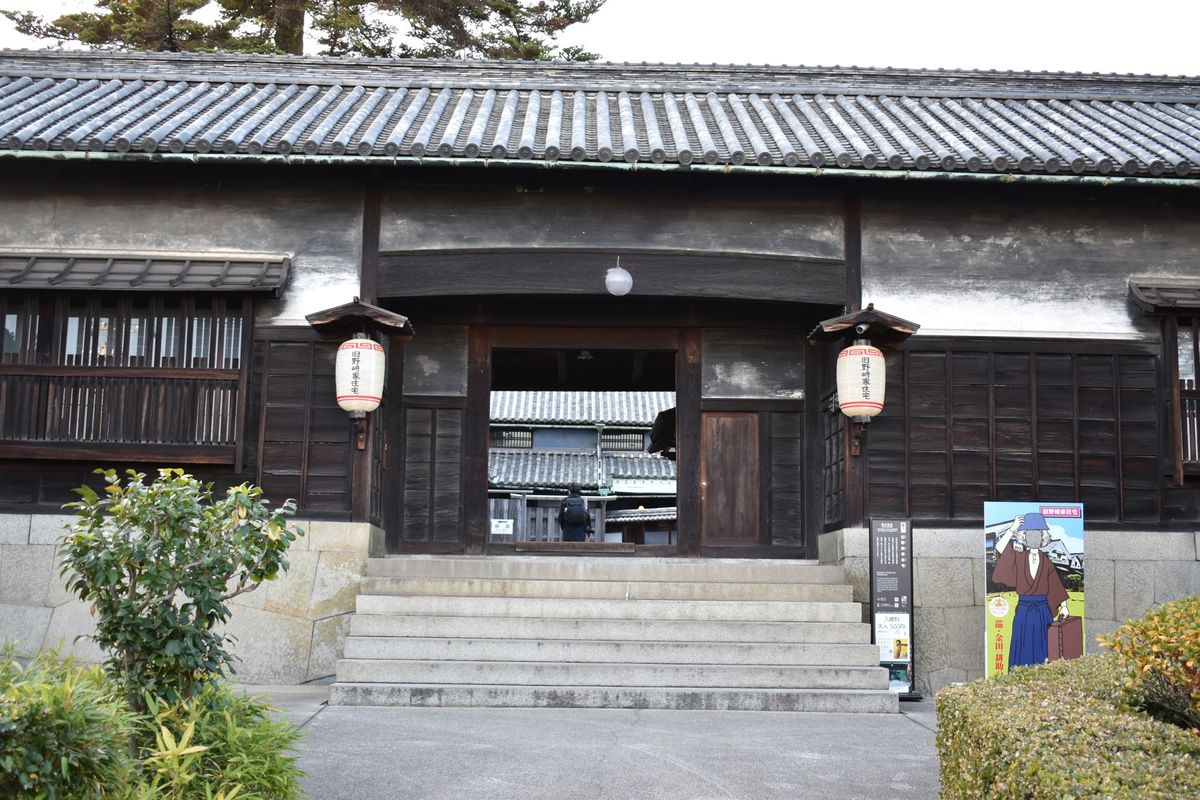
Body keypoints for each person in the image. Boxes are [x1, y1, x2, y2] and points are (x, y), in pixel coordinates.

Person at [992, 512, 1070, 668]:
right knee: (1022, 647)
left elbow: (1055, 585)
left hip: (1042, 612)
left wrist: (1064, 606)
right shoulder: (1018, 558)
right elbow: (1000, 548)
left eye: (1038, 534)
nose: (1034, 537)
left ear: (1044, 538)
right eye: (1030, 534)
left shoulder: (1047, 562)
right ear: (1023, 537)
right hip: (1024, 612)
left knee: (1043, 649)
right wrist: (1012, 529)